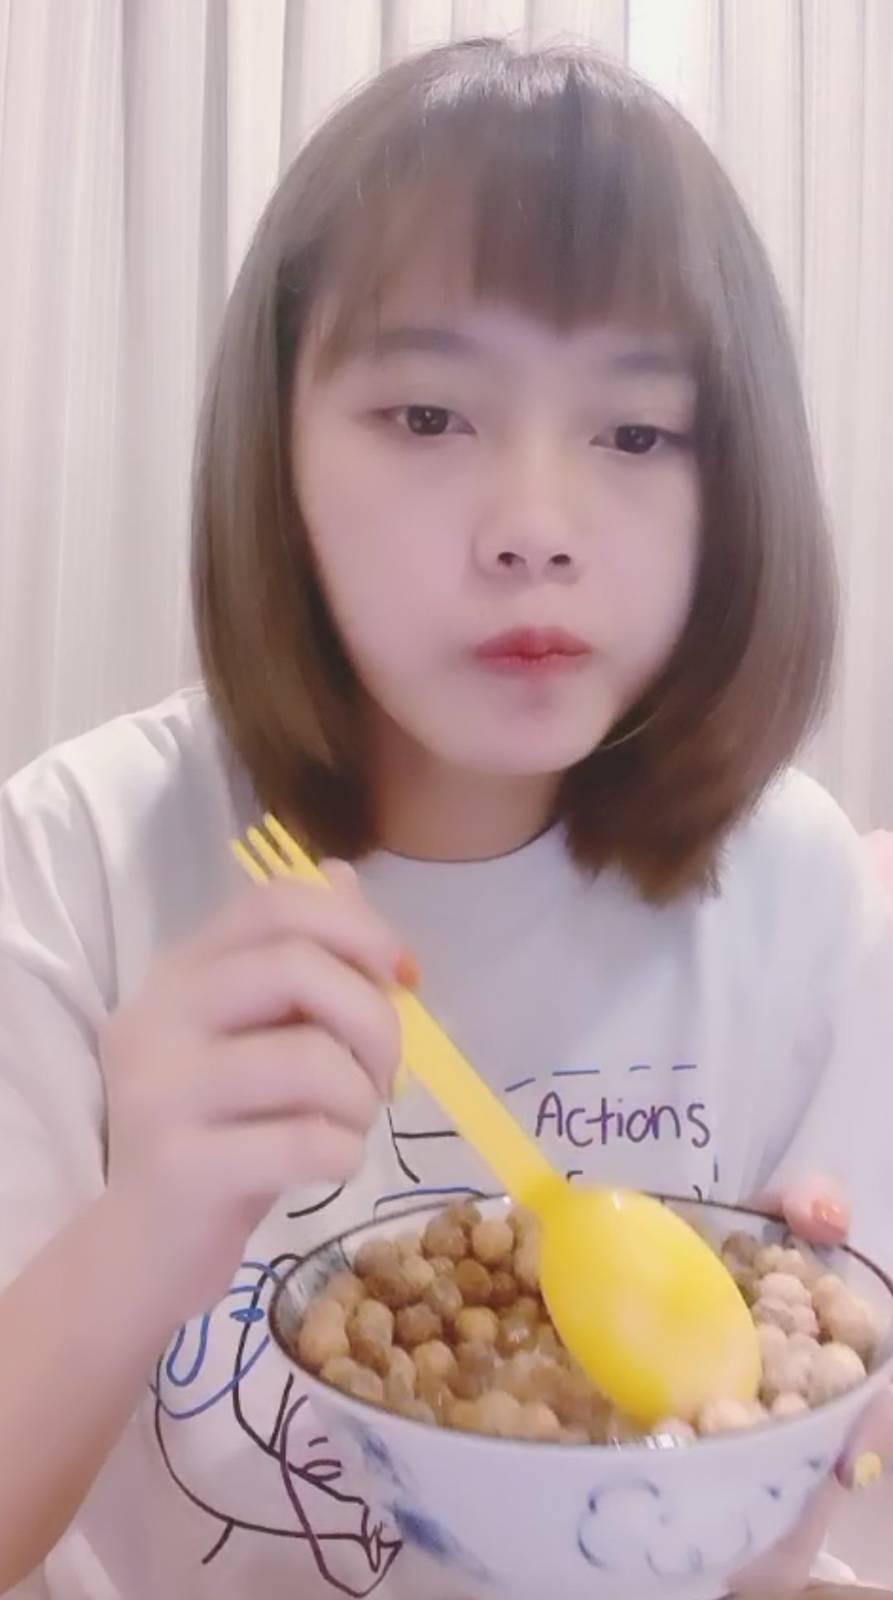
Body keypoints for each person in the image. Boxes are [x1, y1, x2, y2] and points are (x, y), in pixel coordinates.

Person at [0, 36, 890, 1600]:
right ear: (275, 451)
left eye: (635, 432)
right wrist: (144, 1229)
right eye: (425, 416)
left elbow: (787, 1552)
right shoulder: (78, 858)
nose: (533, 530)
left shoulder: (798, 892)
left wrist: (762, 1471)